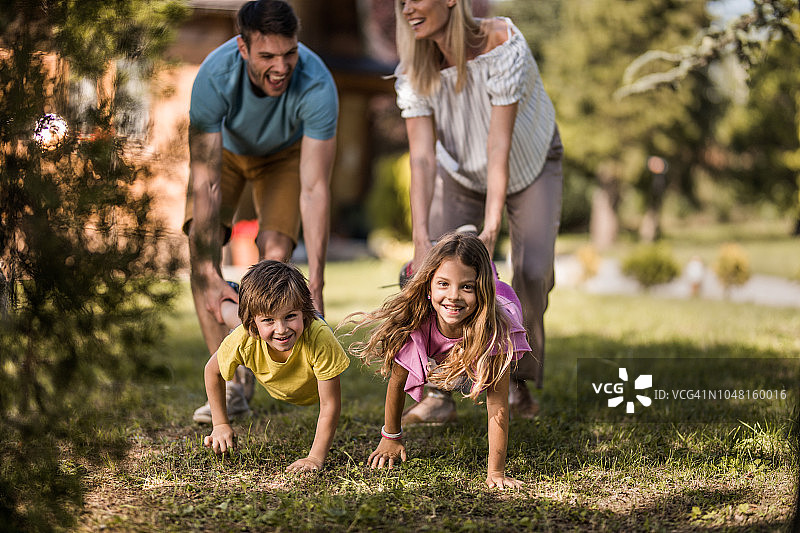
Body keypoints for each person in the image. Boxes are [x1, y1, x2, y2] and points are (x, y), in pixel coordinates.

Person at [392, 0, 563, 423]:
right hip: (459, 172)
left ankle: (516, 379)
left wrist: (491, 227)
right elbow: (421, 159)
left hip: (531, 163)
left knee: (533, 271)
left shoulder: (502, 45)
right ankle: (436, 388)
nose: (408, 7)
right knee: (434, 272)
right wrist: (420, 240)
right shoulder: (415, 67)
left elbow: (497, 146)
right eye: (401, 1)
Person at [185, 0, 339, 422]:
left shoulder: (317, 84)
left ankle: (278, 366)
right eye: (267, 56)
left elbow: (315, 187)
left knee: (275, 255)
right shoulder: (213, 78)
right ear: (243, 47)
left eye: (288, 54)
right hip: (227, 158)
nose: (281, 66)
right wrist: (208, 270)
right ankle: (233, 384)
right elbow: (206, 181)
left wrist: (319, 280)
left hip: (284, 158)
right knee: (201, 259)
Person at [344, 232, 530, 489]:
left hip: (496, 306)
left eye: (467, 287)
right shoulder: (416, 323)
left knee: (480, 378)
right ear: (428, 287)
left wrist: (495, 472)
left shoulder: (496, 331)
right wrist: (391, 437)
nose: (453, 295)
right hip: (445, 331)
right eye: (443, 284)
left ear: (480, 291)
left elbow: (497, 403)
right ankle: (413, 269)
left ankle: (482, 266)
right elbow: (397, 383)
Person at [202, 260, 350, 472]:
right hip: (249, 329)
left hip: (308, 326)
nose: (281, 329)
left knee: (252, 322)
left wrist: (315, 458)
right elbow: (212, 371)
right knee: (234, 320)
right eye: (269, 320)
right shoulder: (245, 337)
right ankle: (226, 298)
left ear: (303, 313)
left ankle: (254, 308)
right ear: (253, 323)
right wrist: (220, 424)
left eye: (290, 316)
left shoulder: (319, 338)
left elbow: (330, 405)